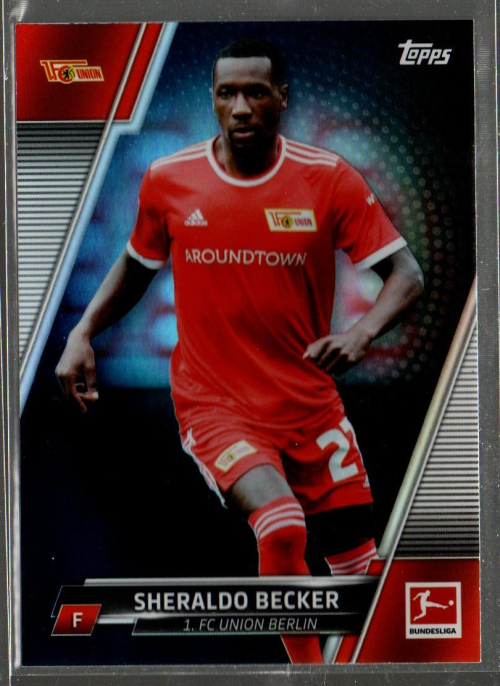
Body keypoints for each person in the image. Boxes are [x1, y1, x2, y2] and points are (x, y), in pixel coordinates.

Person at [56, 38, 424, 663]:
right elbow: (138, 265)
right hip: (216, 404)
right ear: (213, 99)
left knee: (360, 573)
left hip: (310, 405)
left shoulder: (327, 178)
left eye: (256, 92)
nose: (242, 107)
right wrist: (81, 332)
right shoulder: (170, 179)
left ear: (282, 97)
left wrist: (361, 334)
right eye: (228, 93)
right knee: (281, 526)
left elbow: (406, 275)